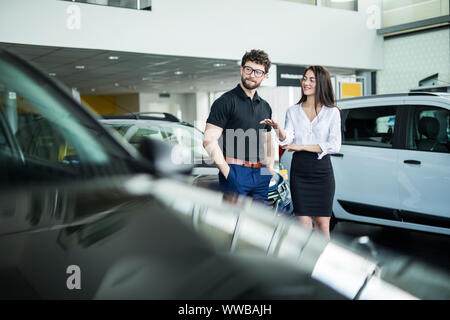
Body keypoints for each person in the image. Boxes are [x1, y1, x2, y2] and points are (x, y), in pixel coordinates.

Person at [260, 66, 341, 239]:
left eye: (312, 79)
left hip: (322, 171)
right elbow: (287, 140)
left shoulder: (332, 112)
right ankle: (305, 263)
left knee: (322, 225)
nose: (306, 82)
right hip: (300, 171)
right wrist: (278, 129)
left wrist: (302, 146)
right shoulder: (293, 111)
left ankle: (322, 263)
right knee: (303, 225)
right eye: (305, 78)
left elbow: (334, 145)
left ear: (322, 84)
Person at [203, 49, 275, 204]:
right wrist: (227, 172)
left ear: (265, 76)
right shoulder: (225, 101)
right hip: (235, 171)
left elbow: (268, 141)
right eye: (249, 69)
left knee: (259, 224)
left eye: (258, 72)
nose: (252, 75)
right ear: (242, 69)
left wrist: (269, 168)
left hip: (261, 172)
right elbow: (209, 141)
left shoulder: (265, 107)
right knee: (233, 224)